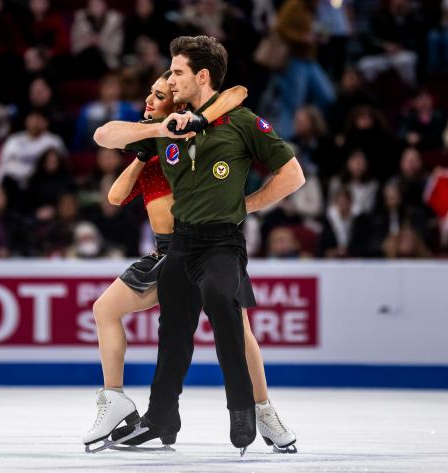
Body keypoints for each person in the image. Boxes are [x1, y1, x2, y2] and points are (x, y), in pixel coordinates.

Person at [93, 36, 305, 453]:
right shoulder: (169, 127)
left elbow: (292, 175)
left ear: (201, 76)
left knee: (234, 325)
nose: (170, 82)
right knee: (173, 333)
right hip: (180, 243)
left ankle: (258, 410)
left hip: (222, 240)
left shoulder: (241, 121)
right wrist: (158, 128)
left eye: (176, 73)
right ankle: (160, 417)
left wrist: (245, 205)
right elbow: (105, 135)